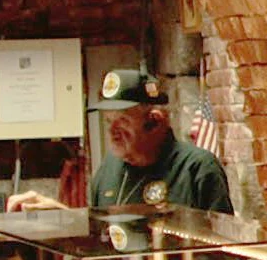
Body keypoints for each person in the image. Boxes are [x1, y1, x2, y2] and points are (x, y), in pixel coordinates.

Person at [13, 69, 231, 213]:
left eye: (123, 121)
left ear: (155, 122)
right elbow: (100, 242)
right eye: (109, 122)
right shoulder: (109, 169)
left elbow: (222, 256)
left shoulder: (197, 168)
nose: (113, 132)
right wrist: (62, 217)